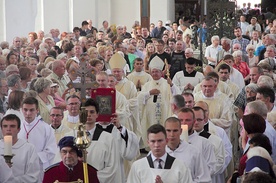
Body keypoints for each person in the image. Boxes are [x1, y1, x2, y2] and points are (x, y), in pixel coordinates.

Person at [138, 56, 180, 148]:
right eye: (153, 71)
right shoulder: (147, 85)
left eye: (157, 71)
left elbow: (177, 94)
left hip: (165, 113)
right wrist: (149, 93)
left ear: (161, 72)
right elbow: (140, 98)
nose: (154, 73)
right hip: (150, 115)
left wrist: (172, 85)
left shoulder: (167, 83)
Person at [127, 124, 192, 183]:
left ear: (166, 141)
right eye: (153, 141)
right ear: (148, 142)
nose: (156, 145)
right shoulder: (138, 166)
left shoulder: (180, 166)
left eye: (160, 141)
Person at [18, 97, 57, 181]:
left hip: (38, 169)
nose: (28, 113)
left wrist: (33, 158)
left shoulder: (46, 128)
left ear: (37, 110)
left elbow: (51, 151)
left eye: (31, 110)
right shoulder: (17, 126)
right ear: (21, 110)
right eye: (25, 110)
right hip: (19, 169)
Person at [165, 117, 212, 182]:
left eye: (175, 130)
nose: (172, 134)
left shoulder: (194, 152)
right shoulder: (158, 153)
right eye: (168, 130)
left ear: (181, 131)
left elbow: (204, 178)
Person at [177, 107, 217, 177]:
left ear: (194, 121)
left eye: (187, 120)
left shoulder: (205, 144)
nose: (183, 123)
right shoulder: (171, 144)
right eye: (181, 120)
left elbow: (211, 168)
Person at [0, 114, 40, 182]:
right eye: (5, 126)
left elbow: (33, 176)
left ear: (18, 129)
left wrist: (12, 181)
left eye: (12, 126)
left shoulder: (29, 148)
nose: (8, 129)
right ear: (1, 129)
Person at [192, 106, 226, 182]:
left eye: (199, 120)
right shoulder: (183, 140)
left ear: (204, 120)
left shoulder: (215, 140)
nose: (196, 122)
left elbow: (220, 162)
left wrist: (202, 174)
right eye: (194, 120)